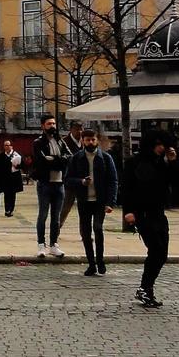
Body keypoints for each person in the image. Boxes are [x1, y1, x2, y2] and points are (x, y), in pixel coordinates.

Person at [123, 130, 178, 308]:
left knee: (162, 254)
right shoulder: (134, 162)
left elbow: (174, 181)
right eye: (159, 145)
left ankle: (146, 288)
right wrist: (129, 211)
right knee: (155, 250)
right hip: (143, 214)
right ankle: (146, 289)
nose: (162, 148)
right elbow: (127, 188)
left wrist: (172, 162)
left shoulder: (161, 163)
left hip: (158, 213)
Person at [65, 129, 118, 277]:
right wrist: (81, 181)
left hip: (99, 201)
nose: (90, 142)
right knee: (86, 233)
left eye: (93, 140)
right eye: (87, 140)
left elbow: (113, 181)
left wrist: (110, 202)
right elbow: (68, 179)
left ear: (97, 141)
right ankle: (91, 264)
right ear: (82, 141)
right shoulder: (76, 158)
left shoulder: (106, 158)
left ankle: (100, 260)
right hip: (84, 201)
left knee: (98, 228)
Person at [32, 116, 67, 258]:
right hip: (45, 182)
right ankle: (41, 244)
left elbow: (68, 158)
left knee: (56, 217)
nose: (52, 125)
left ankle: (54, 244)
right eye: (49, 123)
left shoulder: (60, 141)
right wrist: (58, 161)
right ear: (43, 126)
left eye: (53, 123)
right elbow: (41, 161)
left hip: (59, 183)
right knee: (43, 214)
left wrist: (53, 159)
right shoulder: (38, 142)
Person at [58, 121, 84, 226]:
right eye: (77, 129)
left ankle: (85, 233)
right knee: (65, 207)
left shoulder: (84, 143)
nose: (79, 132)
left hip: (82, 181)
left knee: (84, 210)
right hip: (68, 180)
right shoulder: (64, 142)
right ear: (71, 130)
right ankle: (57, 230)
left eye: (81, 129)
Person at [0, 140, 23, 217]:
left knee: (13, 194)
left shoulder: (16, 155)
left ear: (11, 146)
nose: (7, 147)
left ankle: (11, 210)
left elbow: (22, 165)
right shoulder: (2, 155)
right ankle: (7, 210)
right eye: (5, 145)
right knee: (6, 194)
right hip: (5, 178)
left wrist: (17, 166)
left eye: (8, 145)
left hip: (14, 178)